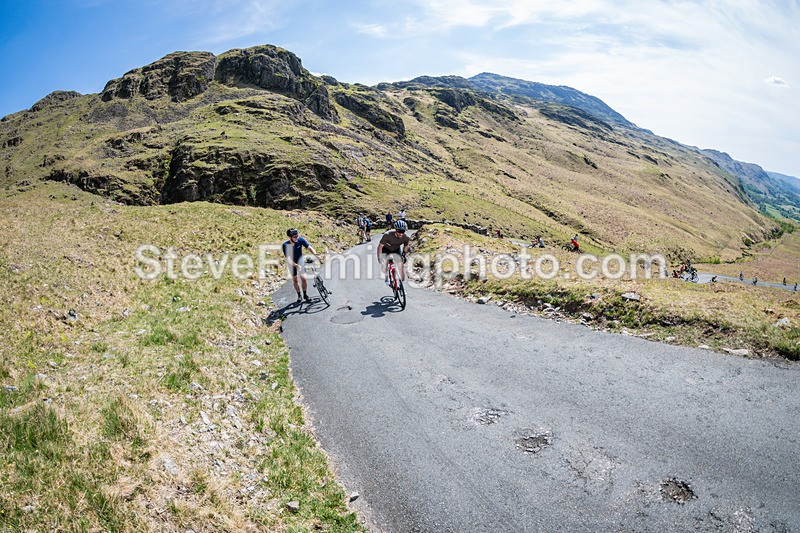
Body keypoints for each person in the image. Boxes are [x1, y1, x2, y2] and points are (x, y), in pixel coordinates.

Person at [282, 228, 317, 303]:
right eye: (294, 237)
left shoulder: (300, 240)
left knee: (304, 278)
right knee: (295, 280)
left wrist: (315, 254)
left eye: (297, 236)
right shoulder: (285, 245)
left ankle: (305, 295)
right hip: (292, 263)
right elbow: (288, 259)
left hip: (300, 260)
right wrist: (296, 265)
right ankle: (299, 296)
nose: (296, 238)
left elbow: (309, 247)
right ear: (290, 237)